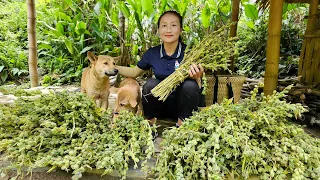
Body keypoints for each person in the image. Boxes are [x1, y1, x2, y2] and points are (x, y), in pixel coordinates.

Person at [116, 10, 204, 127]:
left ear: (181, 29)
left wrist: (197, 77)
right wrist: (113, 68)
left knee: (190, 85)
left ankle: (182, 124)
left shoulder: (190, 53)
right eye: (164, 25)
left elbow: (199, 84)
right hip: (160, 107)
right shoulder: (152, 53)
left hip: (183, 107)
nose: (168, 30)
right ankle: (151, 122)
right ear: (158, 30)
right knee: (150, 84)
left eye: (173, 25)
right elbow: (133, 72)